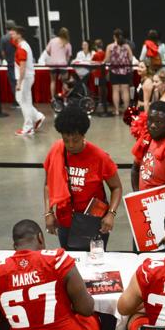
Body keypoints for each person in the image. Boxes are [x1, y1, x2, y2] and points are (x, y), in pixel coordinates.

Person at [43, 105, 122, 250]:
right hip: (65, 220)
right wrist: (48, 212)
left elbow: (116, 187)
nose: (71, 145)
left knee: (95, 263)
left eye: (76, 140)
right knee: (70, 262)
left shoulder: (100, 157)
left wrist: (111, 214)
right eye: (66, 140)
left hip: (93, 222)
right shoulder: (56, 151)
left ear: (83, 135)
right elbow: (48, 184)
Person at [11, 25, 46, 136]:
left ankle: (28, 128)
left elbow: (22, 66)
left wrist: (19, 82)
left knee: (24, 102)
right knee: (24, 101)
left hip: (24, 78)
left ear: (19, 35)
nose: (12, 35)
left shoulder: (22, 48)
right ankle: (37, 117)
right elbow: (12, 41)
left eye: (14, 33)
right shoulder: (23, 45)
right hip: (27, 77)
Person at [105, 28, 134, 116]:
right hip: (125, 71)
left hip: (114, 71)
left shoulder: (110, 47)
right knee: (125, 90)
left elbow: (106, 60)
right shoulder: (127, 46)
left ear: (114, 36)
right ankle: (126, 110)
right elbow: (131, 58)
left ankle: (117, 110)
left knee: (115, 90)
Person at [46, 27, 72, 98]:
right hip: (63, 64)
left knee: (53, 81)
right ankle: (65, 99)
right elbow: (68, 57)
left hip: (52, 64)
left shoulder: (52, 40)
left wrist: (53, 55)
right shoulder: (67, 43)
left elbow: (47, 51)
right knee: (64, 82)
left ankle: (53, 99)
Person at [0, 20, 18, 108]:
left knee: (13, 82)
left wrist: (6, 59)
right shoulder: (17, 36)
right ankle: (22, 101)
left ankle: (16, 102)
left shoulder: (4, 38)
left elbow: (3, 52)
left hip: (10, 63)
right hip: (19, 62)